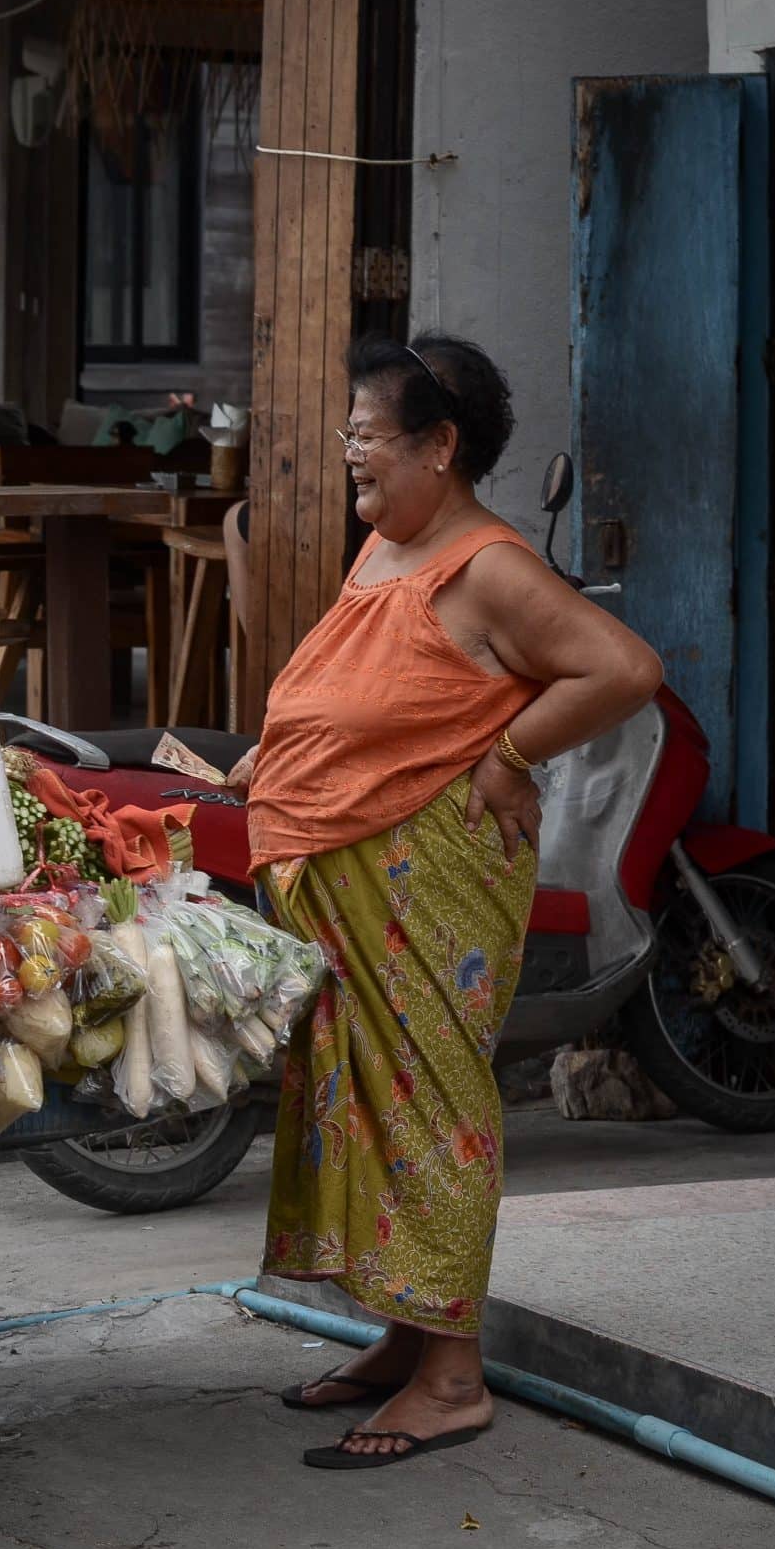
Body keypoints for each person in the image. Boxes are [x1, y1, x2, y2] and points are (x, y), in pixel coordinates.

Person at [223, 333, 662, 1468]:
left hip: (428, 884)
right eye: (350, 436)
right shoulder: (387, 545)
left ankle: (453, 1378)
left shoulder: (492, 566)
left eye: (366, 437)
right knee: (366, 1102)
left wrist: (512, 753)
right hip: (343, 866)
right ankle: (405, 1337)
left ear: (440, 444)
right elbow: (374, 691)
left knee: (428, 1105)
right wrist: (281, 760)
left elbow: (622, 669)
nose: (350, 458)